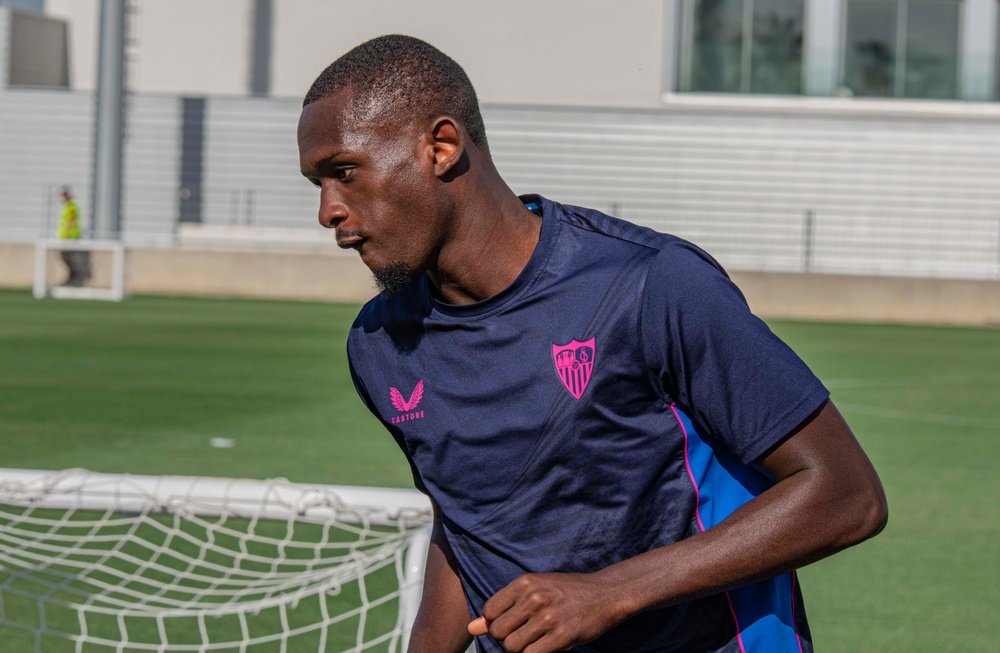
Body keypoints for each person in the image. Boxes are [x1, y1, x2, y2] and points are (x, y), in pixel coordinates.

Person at [297, 35, 887, 653]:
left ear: (440, 148)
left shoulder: (651, 284)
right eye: (316, 183)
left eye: (343, 173)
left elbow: (846, 496)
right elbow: (469, 519)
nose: (328, 211)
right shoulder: (379, 343)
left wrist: (606, 593)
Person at [56, 186, 91, 286]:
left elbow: (71, 221)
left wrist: (67, 236)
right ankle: (73, 277)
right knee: (65, 257)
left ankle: (77, 278)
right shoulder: (67, 205)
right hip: (67, 237)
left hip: (71, 237)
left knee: (72, 259)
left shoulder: (71, 205)